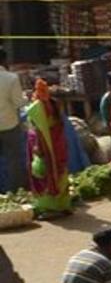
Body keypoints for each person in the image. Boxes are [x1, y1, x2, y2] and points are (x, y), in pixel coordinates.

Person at [26, 80, 71, 214]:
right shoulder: (55, 103)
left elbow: (39, 130)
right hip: (58, 143)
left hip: (43, 143)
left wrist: (38, 147)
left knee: (44, 174)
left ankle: (49, 207)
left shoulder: (36, 108)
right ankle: (63, 204)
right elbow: (60, 124)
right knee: (60, 170)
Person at [0, 47, 27, 193]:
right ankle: (16, 193)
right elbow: (18, 103)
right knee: (14, 161)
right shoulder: (11, 78)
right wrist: (26, 97)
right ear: (4, 60)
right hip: (9, 124)